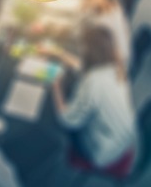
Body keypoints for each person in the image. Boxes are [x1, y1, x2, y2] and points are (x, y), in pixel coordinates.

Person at [42, 26, 137, 171]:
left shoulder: (93, 82)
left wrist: (56, 86)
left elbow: (67, 120)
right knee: (75, 95)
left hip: (102, 151)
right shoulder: (116, 67)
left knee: (50, 119)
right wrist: (59, 54)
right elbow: (84, 68)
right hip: (124, 138)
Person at [80, 0, 132, 69]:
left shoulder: (104, 23)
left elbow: (83, 33)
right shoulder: (114, 7)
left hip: (110, 66)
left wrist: (83, 11)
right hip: (112, 61)